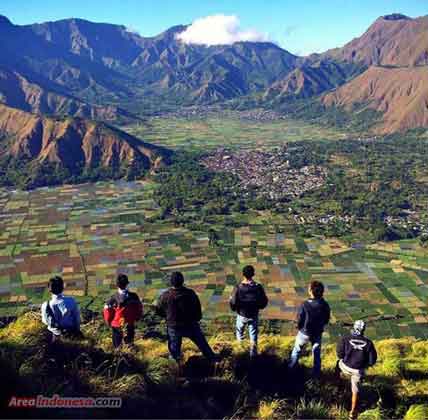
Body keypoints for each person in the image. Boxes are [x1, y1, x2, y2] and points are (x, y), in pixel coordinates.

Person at [156, 271, 219, 362]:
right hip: (191, 324)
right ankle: (214, 361)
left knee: (174, 351)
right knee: (203, 345)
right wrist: (197, 319)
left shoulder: (165, 296)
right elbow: (197, 308)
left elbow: (159, 310)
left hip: (174, 326)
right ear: (182, 281)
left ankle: (175, 368)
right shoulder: (190, 293)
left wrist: (167, 318)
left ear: (171, 282)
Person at [288, 280, 331, 377]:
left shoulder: (305, 305)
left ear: (310, 291)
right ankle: (316, 374)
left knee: (297, 350)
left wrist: (299, 328)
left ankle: (291, 368)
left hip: (304, 332)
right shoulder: (324, 305)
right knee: (316, 353)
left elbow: (300, 319)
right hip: (317, 333)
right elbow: (326, 318)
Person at [337, 320, 378, 420]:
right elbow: (372, 361)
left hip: (345, 367)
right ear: (364, 329)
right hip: (358, 371)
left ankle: (338, 385)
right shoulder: (368, 343)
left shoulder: (345, 339)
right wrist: (365, 365)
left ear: (354, 327)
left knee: (337, 365)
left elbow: (339, 354)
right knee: (355, 390)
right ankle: (353, 412)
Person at [229, 265, 268, 357]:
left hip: (242, 315)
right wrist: (259, 307)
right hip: (254, 315)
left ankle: (240, 352)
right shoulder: (258, 287)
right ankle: (253, 356)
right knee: (253, 336)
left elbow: (233, 302)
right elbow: (264, 301)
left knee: (239, 333)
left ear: (243, 274)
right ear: (253, 274)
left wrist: (234, 307)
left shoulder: (238, 287)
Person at [103, 274, 143, 348]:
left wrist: (109, 322)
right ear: (127, 284)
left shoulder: (112, 298)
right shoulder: (134, 296)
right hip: (129, 324)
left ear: (117, 285)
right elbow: (139, 309)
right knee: (129, 345)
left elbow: (107, 313)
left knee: (117, 346)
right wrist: (136, 318)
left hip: (116, 325)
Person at [41, 276, 81, 342]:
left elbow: (45, 321)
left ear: (49, 289)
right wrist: (77, 331)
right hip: (71, 334)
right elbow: (77, 319)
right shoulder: (71, 301)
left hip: (55, 337)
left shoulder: (45, 305)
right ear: (62, 287)